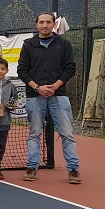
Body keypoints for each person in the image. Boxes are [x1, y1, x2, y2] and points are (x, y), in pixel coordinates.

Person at [17, 12, 81, 184]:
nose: (44, 25)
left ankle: (73, 169)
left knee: (67, 134)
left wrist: (56, 85)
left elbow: (70, 68)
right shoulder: (28, 45)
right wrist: (37, 88)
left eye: (48, 22)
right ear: (36, 25)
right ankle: (31, 167)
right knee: (34, 133)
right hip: (34, 96)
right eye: (41, 22)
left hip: (58, 95)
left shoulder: (64, 44)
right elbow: (22, 70)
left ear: (54, 24)